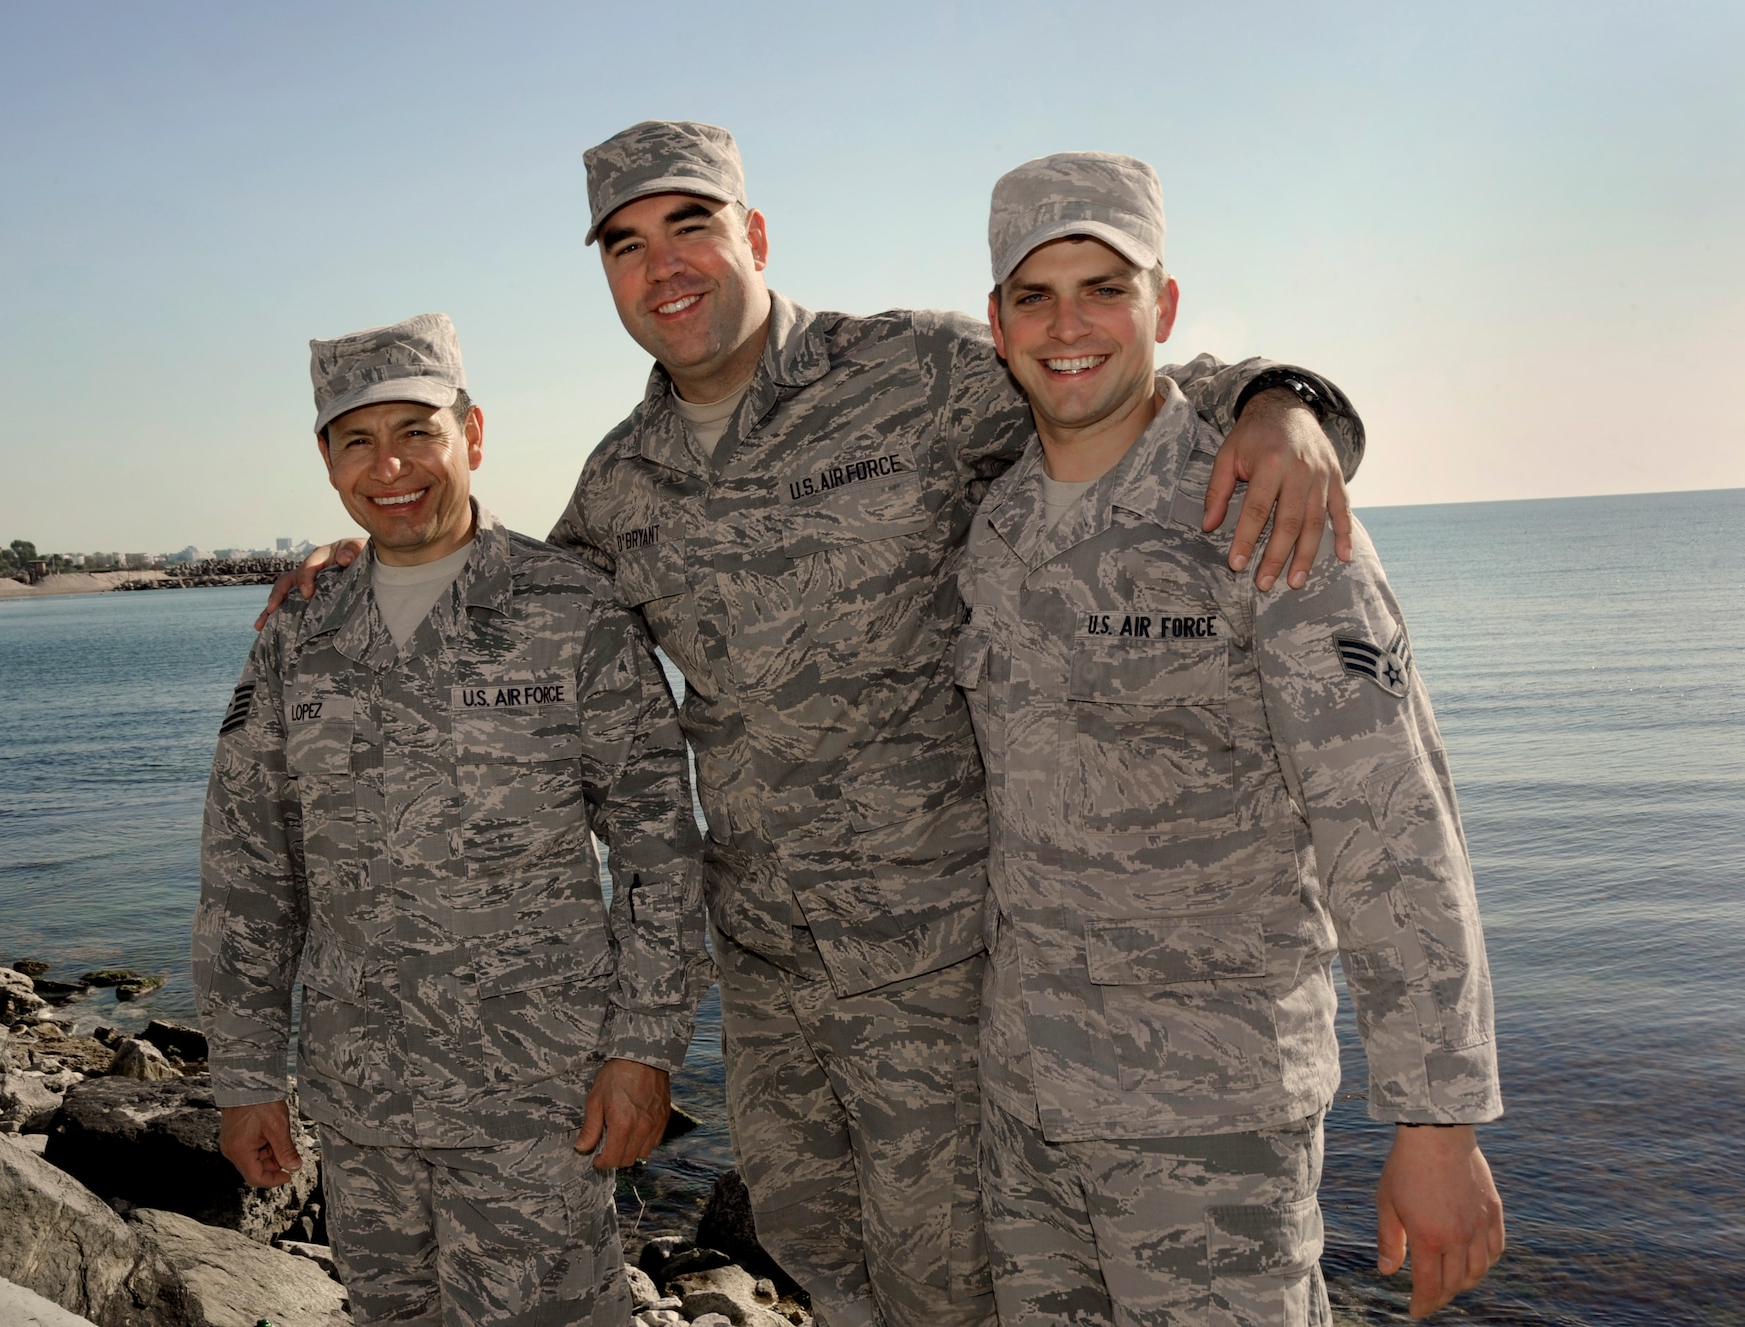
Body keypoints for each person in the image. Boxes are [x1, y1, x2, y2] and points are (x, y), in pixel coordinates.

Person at [265, 121, 1365, 1327]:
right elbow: (517, 598)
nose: (664, 265)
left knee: (964, 1280)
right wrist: (366, 553)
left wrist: (1288, 404)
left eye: (692, 225)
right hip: (769, 970)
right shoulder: (620, 480)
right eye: (626, 246)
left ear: (755, 236)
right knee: (815, 1248)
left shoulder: (912, 372)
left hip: (941, 959)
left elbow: (1113, 379)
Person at [957, 152, 1504, 1326]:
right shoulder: (994, 528)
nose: (1069, 326)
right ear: (994, 322)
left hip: (1209, 1119)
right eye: (1035, 295)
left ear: (1160, 305)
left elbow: (1390, 825)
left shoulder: (1265, 513)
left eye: (1104, 288)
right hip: (1024, 1105)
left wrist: (1436, 1121)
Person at [195, 313, 709, 1325]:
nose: (391, 465)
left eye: (416, 431)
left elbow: (657, 847)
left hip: (535, 1101)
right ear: (328, 461)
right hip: (362, 1104)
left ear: (471, 436)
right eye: (358, 440)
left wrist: (644, 1048)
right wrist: (245, 1072)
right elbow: (250, 866)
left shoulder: (570, 609)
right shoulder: (299, 631)